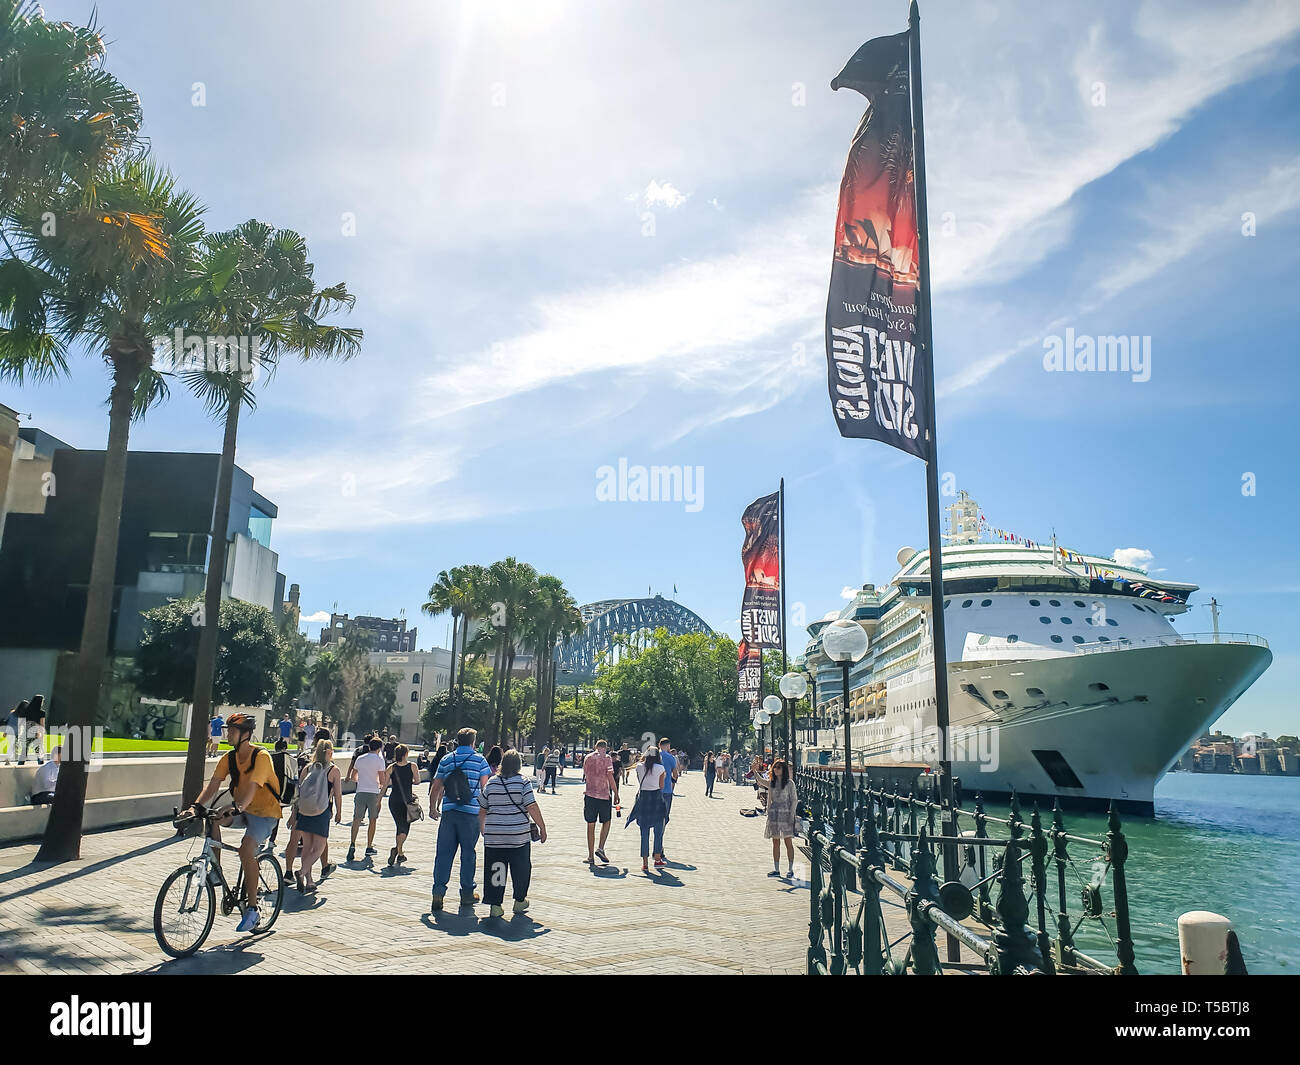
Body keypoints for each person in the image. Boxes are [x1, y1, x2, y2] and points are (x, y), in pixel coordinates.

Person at [187, 713, 283, 931]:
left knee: (245, 850)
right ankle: (216, 870)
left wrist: (237, 807)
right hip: (243, 809)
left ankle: (252, 909)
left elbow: (253, 788)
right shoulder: (228, 758)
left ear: (246, 734)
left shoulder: (261, 757)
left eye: (232, 730)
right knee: (213, 818)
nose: (228, 734)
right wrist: (195, 807)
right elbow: (212, 785)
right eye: (228, 730)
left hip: (265, 812)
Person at [427, 727, 491, 911]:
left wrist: (433, 807)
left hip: (449, 813)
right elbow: (485, 787)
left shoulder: (447, 759)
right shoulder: (479, 760)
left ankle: (438, 893)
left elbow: (436, 785)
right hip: (470, 814)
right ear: (473, 742)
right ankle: (467, 893)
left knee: (444, 854)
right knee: (468, 854)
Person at [479, 749, 546, 918]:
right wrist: (542, 827)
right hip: (518, 836)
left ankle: (496, 904)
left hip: (495, 837)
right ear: (518, 765)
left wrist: (483, 828)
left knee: (497, 869)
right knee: (521, 869)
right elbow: (531, 806)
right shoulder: (523, 782)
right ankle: (519, 900)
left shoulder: (492, 782)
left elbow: (482, 808)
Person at [293, 739, 343, 892]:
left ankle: (309, 880)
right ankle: (301, 872)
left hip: (304, 811)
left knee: (307, 847)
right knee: (319, 847)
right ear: (329, 752)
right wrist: (339, 812)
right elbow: (338, 795)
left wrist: (295, 814)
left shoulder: (307, 769)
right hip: (321, 811)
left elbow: (299, 793)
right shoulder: (333, 770)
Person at [347, 737, 389, 862]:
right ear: (380, 748)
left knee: (357, 819)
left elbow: (354, 777)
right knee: (372, 820)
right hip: (373, 793)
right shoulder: (379, 760)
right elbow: (382, 781)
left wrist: (362, 779)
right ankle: (369, 846)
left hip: (360, 791)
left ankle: (352, 843)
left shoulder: (360, 758)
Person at [628, 746, 667, 872]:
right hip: (656, 799)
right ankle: (657, 858)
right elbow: (661, 786)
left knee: (644, 832)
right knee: (658, 830)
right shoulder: (660, 768)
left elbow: (641, 782)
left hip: (644, 799)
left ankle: (645, 863)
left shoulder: (639, 766)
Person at [581, 740, 618, 865]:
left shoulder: (587, 758)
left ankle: (590, 856)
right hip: (603, 795)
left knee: (590, 824)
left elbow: (585, 773)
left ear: (595, 747)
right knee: (606, 821)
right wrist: (616, 793)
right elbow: (610, 776)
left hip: (590, 794)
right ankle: (600, 848)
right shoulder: (607, 758)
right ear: (605, 747)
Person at [386, 743, 419, 867]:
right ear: (406, 753)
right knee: (404, 828)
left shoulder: (391, 767)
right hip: (407, 800)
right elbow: (417, 781)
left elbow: (385, 785)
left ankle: (399, 853)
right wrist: (408, 781)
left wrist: (378, 800)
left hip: (394, 800)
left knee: (400, 826)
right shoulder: (412, 766)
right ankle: (398, 850)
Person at [765, 758, 798, 878]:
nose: (775, 769)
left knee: (788, 841)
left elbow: (794, 800)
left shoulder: (790, 783)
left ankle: (790, 869)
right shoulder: (772, 782)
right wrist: (754, 771)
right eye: (774, 767)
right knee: (775, 841)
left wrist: (791, 815)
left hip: (785, 813)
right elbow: (769, 797)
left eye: (778, 767)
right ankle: (777, 869)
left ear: (783, 769)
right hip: (774, 814)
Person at [657, 738, 678, 856]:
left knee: (654, 817)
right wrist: (672, 783)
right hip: (666, 791)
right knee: (664, 818)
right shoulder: (671, 758)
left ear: (659, 745)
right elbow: (675, 774)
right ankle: (659, 846)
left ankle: (655, 845)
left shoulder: (653, 756)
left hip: (653, 790)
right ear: (669, 746)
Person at [17, 696, 45, 765]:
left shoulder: (26, 710)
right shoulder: (42, 712)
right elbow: (42, 725)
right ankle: (40, 762)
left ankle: (20, 763)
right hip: (36, 732)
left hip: (26, 731)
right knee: (37, 748)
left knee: (24, 749)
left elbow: (22, 721)